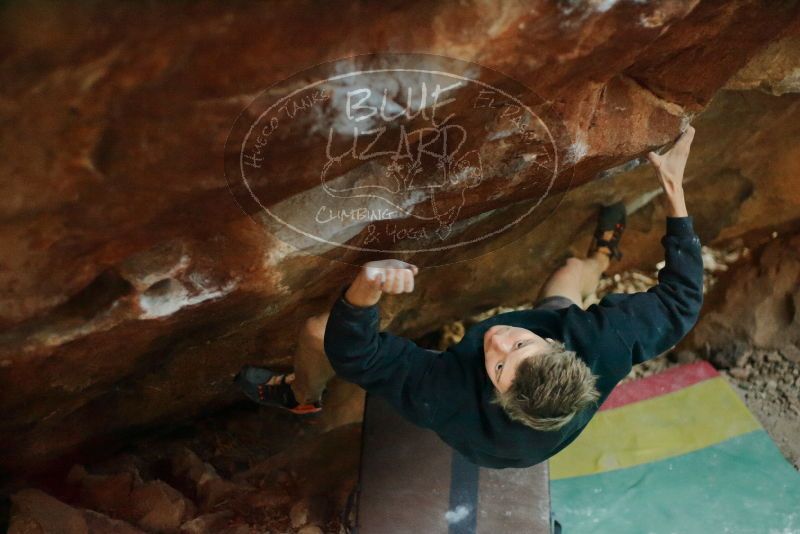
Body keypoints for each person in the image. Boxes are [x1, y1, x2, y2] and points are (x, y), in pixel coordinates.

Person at [235, 126, 703, 469]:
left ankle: (301, 393)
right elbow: (681, 302)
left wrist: (366, 286)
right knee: (571, 274)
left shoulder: (448, 399)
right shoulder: (605, 342)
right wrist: (673, 188)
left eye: (500, 367)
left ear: (497, 395)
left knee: (320, 331)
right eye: (521, 345)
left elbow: (356, 355)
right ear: (561, 348)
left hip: (500, 449)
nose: (498, 341)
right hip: (557, 371)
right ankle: (602, 258)